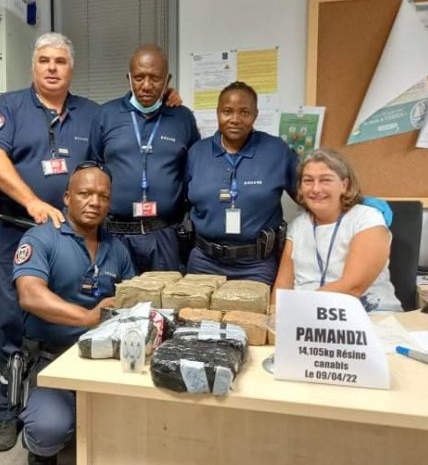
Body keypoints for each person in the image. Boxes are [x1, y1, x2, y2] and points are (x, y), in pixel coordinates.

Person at [0, 33, 101, 451]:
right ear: (34, 65)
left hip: (72, 240)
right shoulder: (8, 106)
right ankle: (8, 412)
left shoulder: (91, 114)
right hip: (16, 233)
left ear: (71, 68)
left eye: (60, 61)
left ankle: (68, 401)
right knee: (10, 325)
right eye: (44, 60)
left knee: (74, 315)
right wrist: (31, 201)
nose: (52, 67)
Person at [13, 161, 135, 465]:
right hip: (51, 359)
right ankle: (41, 454)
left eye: (103, 196)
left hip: (105, 362)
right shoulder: (41, 238)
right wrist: (86, 317)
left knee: (139, 423)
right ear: (67, 197)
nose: (94, 202)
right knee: (49, 428)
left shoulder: (117, 249)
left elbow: (131, 302)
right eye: (85, 193)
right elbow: (29, 294)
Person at [90, 44, 199, 273]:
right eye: (139, 78)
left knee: (165, 304)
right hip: (115, 235)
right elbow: (93, 168)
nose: (147, 86)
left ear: (167, 80)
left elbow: (195, 172)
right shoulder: (106, 115)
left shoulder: (182, 118)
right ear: (129, 78)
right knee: (116, 303)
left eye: (155, 78)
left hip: (165, 235)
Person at [185, 81, 297, 284]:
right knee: (197, 316)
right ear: (217, 112)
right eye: (227, 111)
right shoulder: (196, 152)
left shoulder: (276, 151)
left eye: (244, 112)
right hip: (203, 262)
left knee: (251, 316)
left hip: (256, 265)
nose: (235, 119)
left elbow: (307, 195)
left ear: (255, 115)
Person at [273, 149, 402, 312]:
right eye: (308, 181)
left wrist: (298, 310)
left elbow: (352, 287)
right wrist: (276, 321)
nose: (315, 189)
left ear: (344, 185)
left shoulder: (367, 219)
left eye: (325, 180)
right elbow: (283, 286)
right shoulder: (297, 226)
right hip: (307, 322)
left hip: (367, 316)